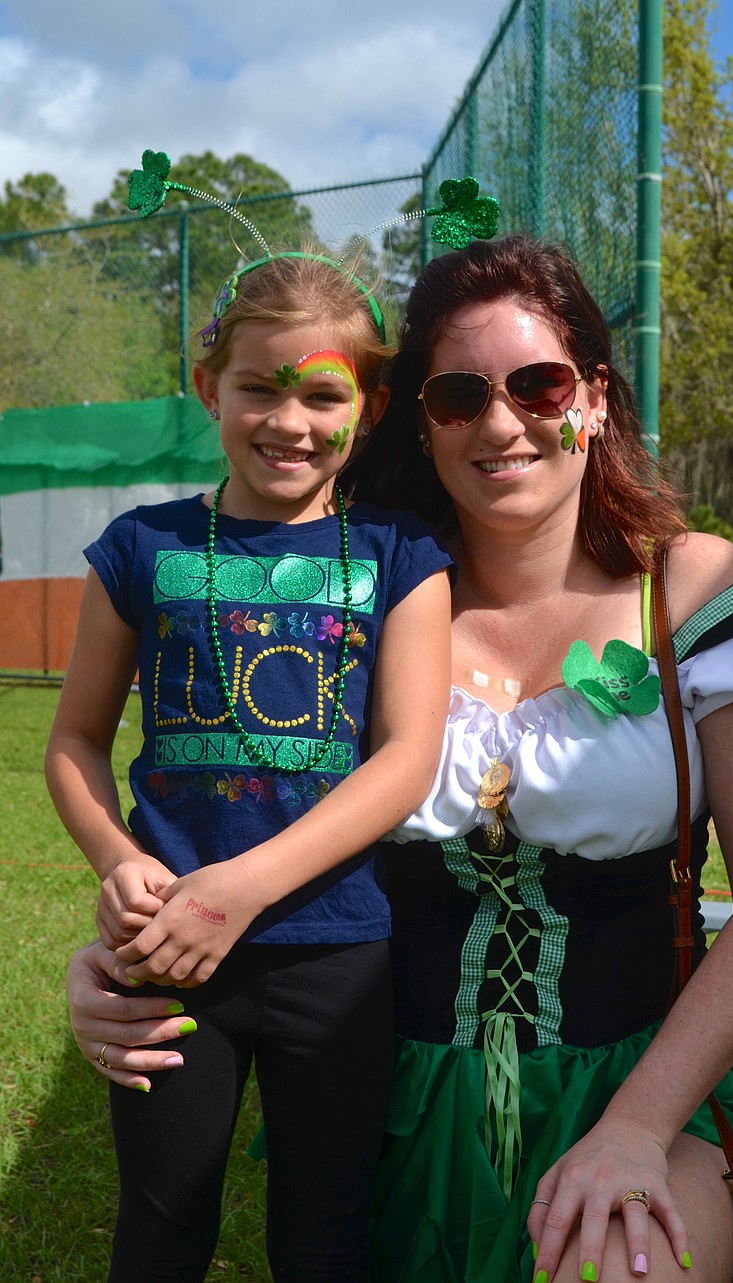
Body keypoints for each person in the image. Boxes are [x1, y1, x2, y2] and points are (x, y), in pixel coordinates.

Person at [64, 235, 733, 1283]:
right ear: (418, 422)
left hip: (643, 1082)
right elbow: (234, 793)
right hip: (393, 1099)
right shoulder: (375, 598)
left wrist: (635, 1126)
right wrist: (127, 951)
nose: (500, 420)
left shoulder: (692, 586)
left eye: (538, 383)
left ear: (596, 399)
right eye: (458, 394)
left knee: (618, 1262)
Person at [46, 248, 452, 1283]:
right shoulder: (139, 546)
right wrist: (113, 856)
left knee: (324, 1233)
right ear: (206, 389)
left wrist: (243, 887)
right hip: (169, 952)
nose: (290, 421)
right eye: (258, 388)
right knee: (163, 1220)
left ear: (368, 401)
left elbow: (406, 757)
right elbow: (76, 740)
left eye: (322, 393)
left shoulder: (402, 552)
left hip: (338, 955)